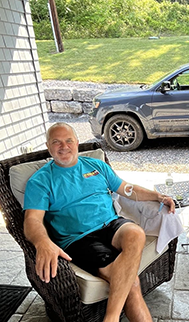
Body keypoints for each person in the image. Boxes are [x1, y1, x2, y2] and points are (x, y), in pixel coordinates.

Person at [23, 122, 176, 322]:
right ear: (48, 146)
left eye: (69, 140)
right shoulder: (40, 181)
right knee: (132, 284)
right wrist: (42, 242)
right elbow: (32, 220)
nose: (64, 146)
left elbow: (126, 189)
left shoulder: (96, 166)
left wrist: (157, 196)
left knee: (135, 233)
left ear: (77, 142)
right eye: (56, 142)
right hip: (79, 239)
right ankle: (111, 318)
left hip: (111, 224)